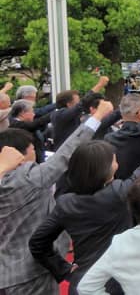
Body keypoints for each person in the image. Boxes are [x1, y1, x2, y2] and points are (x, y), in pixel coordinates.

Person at [28, 123, 140, 294]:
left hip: (82, 281)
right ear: (104, 169)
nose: (117, 163)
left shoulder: (65, 203)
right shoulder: (118, 193)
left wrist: (64, 270)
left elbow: (37, 242)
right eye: (114, 160)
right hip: (117, 282)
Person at [0, 100, 113, 295]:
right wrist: (96, 117)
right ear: (19, 155)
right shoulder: (26, 179)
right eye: (32, 149)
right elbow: (65, 154)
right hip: (30, 275)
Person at [51, 76, 109, 150]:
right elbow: (82, 104)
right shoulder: (59, 115)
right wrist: (99, 85)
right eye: (77, 101)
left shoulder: (69, 116)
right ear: (69, 104)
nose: (79, 102)